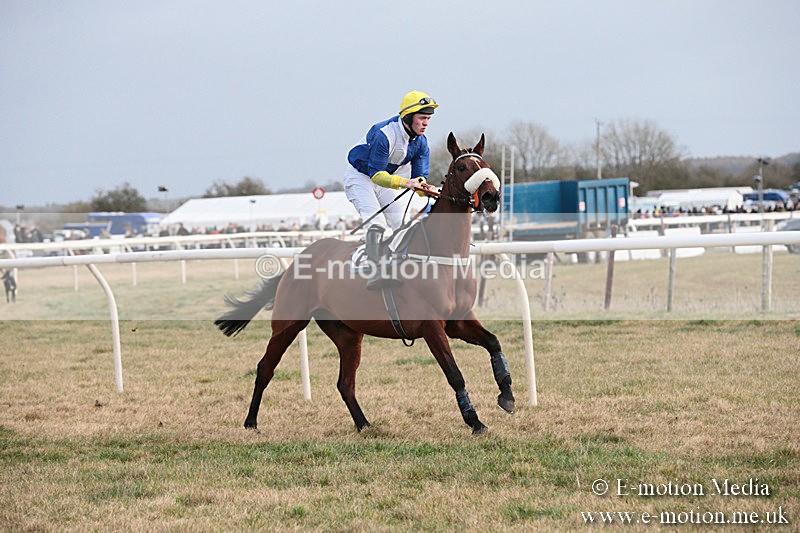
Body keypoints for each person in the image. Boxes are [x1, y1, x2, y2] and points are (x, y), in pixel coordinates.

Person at [344, 90, 439, 290]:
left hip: (383, 179)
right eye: (422, 118)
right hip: (361, 177)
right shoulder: (384, 134)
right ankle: (374, 272)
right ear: (408, 117)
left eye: (428, 119)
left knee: (402, 224)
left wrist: (426, 189)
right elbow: (377, 175)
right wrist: (407, 183)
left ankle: (400, 267)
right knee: (377, 223)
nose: (426, 123)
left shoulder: (421, 142)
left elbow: (419, 178)